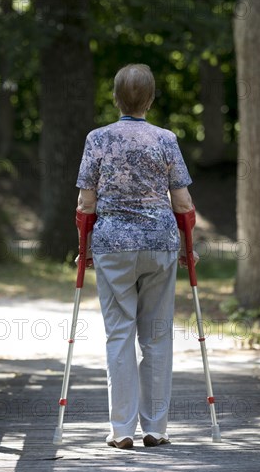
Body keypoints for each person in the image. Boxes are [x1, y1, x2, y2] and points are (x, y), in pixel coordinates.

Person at [76, 63, 194, 449]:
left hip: (113, 245)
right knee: (157, 335)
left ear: (115, 97)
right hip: (160, 243)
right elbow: (182, 200)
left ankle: (122, 429)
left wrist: (84, 247)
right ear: (152, 97)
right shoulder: (165, 139)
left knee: (120, 335)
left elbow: (86, 201)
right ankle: (155, 428)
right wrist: (188, 246)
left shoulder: (98, 139)